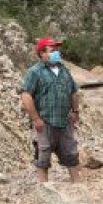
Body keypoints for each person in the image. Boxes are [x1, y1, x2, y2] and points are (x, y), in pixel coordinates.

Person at [20, 37, 81, 183]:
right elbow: (26, 95)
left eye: (57, 50)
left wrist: (75, 111)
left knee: (71, 154)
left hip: (64, 122)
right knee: (43, 156)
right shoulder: (35, 72)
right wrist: (35, 119)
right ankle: (44, 189)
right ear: (42, 53)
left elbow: (73, 91)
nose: (56, 53)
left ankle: (78, 186)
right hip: (45, 122)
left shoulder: (64, 70)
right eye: (52, 50)